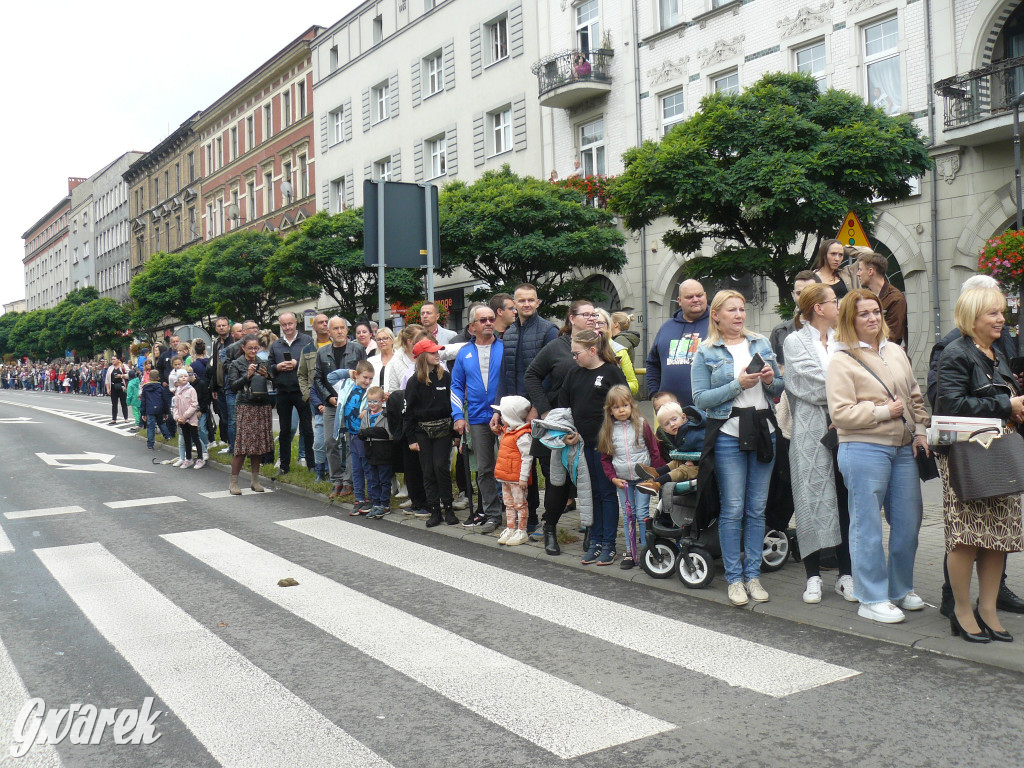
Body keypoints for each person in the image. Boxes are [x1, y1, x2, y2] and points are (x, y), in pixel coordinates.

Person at [826, 288, 929, 624]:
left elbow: (915, 397)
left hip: (902, 448)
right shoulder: (841, 358)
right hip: (863, 447)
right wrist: (883, 412)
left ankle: (899, 588)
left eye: (876, 312)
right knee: (866, 525)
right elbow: (840, 413)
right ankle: (870, 597)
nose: (872, 318)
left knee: (908, 521)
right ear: (849, 320)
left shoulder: (896, 352)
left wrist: (922, 431)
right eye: (864, 314)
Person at [926, 274, 1024, 615]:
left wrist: (1014, 403)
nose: (1001, 319)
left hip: (997, 456)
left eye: (1001, 312)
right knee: (967, 538)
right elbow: (948, 405)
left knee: (998, 538)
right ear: (973, 316)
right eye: (992, 313)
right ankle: (961, 612)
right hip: (969, 458)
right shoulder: (955, 351)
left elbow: (997, 397)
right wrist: (1005, 405)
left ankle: (989, 611)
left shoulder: (994, 351)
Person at [692, 289, 784, 606]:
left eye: (742, 309)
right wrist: (737, 385)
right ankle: (733, 579)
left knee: (757, 509)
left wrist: (771, 379)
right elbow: (700, 399)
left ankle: (753, 575)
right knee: (733, 509)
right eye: (732, 310)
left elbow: (778, 389)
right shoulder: (705, 352)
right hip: (729, 432)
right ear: (716, 315)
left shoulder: (760, 343)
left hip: (763, 430)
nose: (739, 315)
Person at [784, 283, 855, 604]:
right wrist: (847, 395)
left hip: (848, 427)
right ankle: (812, 576)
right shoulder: (795, 341)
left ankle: (846, 575)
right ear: (818, 307)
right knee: (810, 498)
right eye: (833, 301)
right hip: (812, 430)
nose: (838, 305)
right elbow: (807, 382)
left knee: (846, 500)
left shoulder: (844, 339)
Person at [524, 299, 598, 554]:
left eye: (594, 314)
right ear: (571, 318)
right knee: (558, 482)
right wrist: (545, 410)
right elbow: (531, 375)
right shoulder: (556, 347)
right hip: (559, 428)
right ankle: (550, 529)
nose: (591, 318)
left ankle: (591, 530)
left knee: (591, 482)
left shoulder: (600, 345)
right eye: (585, 314)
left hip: (589, 426)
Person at [560, 329, 627, 565]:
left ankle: (609, 543)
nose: (574, 357)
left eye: (577, 353)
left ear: (592, 350)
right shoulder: (574, 374)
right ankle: (595, 539)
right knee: (592, 494)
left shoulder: (610, 372)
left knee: (606, 494)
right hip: (583, 445)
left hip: (605, 446)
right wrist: (568, 432)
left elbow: (625, 406)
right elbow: (564, 407)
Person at [496, 283, 559, 535]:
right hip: (514, 414)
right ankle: (529, 518)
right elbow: (505, 374)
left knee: (547, 465)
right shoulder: (509, 332)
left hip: (540, 411)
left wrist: (537, 406)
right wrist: (499, 410)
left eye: (531, 300)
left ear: (538, 302)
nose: (526, 305)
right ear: (514, 304)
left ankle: (550, 521)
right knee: (523, 466)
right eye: (521, 301)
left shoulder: (548, 330)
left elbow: (552, 374)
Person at [451, 303, 504, 533]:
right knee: (484, 469)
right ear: (472, 326)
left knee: (510, 467)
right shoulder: (464, 352)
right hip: (476, 418)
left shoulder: (505, 347)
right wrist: (457, 416)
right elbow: (455, 386)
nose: (489, 323)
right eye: (483, 320)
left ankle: (517, 514)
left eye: (491, 319)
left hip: (504, 416)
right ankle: (493, 514)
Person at [598, 385, 663, 570]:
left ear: (631, 405)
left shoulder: (642, 424)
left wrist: (654, 476)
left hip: (643, 478)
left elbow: (654, 451)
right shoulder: (608, 430)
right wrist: (613, 478)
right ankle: (630, 551)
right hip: (623, 481)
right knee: (628, 516)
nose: (621, 410)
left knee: (642, 514)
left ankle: (645, 551)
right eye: (617, 407)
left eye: (625, 405)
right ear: (610, 410)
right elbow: (605, 459)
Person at [404, 339, 458, 528]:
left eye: (438, 352)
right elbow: (408, 412)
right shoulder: (413, 382)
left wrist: (456, 434)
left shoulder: (446, 377)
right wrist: (411, 438)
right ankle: (435, 509)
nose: (437, 354)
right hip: (422, 431)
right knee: (428, 470)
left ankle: (448, 507)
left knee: (441, 468)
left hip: (444, 428)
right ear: (422, 356)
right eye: (432, 352)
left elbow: (454, 404)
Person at [315, 316, 368, 498]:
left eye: (342, 328)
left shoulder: (358, 349)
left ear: (347, 330)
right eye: (335, 328)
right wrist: (328, 397)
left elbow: (365, 375)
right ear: (329, 332)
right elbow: (318, 379)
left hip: (352, 405)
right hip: (332, 405)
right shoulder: (322, 353)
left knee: (351, 442)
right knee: (331, 441)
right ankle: (336, 479)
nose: (339, 331)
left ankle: (348, 481)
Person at [646, 279, 710, 407]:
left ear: (706, 296)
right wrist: (655, 395)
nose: (696, 299)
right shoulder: (666, 328)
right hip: (670, 415)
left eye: (699, 295)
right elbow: (653, 364)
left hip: (708, 412)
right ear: (679, 301)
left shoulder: (718, 324)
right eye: (689, 297)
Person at [226, 334, 274, 495]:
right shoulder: (236, 364)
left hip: (262, 405)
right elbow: (232, 386)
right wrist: (247, 375)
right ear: (243, 348)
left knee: (258, 446)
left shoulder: (263, 362)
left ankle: (255, 480)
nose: (253, 351)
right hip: (246, 406)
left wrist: (268, 375)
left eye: (256, 348)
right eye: (250, 348)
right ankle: (234, 482)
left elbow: (274, 381)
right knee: (242, 446)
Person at [268, 312, 314, 477]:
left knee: (307, 429)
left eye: (290, 324)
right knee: (285, 430)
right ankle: (284, 464)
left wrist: (297, 363)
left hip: (302, 391)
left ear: (296, 323)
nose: (287, 327)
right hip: (283, 392)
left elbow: (313, 365)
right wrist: (277, 367)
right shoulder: (276, 345)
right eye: (284, 325)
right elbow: (269, 367)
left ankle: (311, 464)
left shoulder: (307, 341)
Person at [328, 360, 376, 514]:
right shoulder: (346, 385)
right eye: (364, 377)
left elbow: (378, 405)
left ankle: (373, 498)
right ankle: (360, 498)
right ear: (356, 375)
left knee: (366, 467)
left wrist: (368, 410)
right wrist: (349, 372)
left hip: (363, 435)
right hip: (350, 434)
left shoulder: (371, 392)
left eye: (370, 378)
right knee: (355, 468)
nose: (367, 381)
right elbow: (331, 377)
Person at [493, 395, 534, 546]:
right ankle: (511, 527)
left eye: (503, 415)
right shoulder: (508, 431)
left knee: (520, 504)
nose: (501, 417)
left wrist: (523, 477)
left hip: (517, 479)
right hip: (505, 476)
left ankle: (521, 530)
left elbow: (527, 457)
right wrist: (499, 434)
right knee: (509, 504)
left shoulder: (522, 435)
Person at [299, 313, 331, 482]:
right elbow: (302, 375)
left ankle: (332, 470)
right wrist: (308, 395)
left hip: (334, 398)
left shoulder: (337, 345)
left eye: (327, 322)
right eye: (321, 322)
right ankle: (321, 471)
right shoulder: (308, 349)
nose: (325, 324)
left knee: (335, 438)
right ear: (314, 327)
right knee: (319, 438)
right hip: (316, 399)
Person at [855, 249, 908, 349]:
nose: (858, 273)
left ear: (870, 271)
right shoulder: (865, 297)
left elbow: (893, 336)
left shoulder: (895, 298)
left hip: (887, 356)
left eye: (860, 269)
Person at [769, 271, 820, 367]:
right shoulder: (780, 332)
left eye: (809, 292)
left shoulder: (832, 331)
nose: (804, 297)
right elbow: (772, 375)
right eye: (799, 293)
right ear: (793, 295)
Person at [358, 385, 394, 519]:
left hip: (383, 452)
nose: (372, 404)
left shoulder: (385, 415)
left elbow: (388, 434)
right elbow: (361, 433)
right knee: (373, 480)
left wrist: (368, 432)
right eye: (369, 402)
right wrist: (368, 433)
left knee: (384, 480)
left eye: (375, 401)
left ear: (382, 401)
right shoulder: (366, 414)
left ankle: (385, 504)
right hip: (370, 452)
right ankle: (376, 503)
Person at [594, 308, 639, 396]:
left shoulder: (619, 350)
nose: (596, 326)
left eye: (600, 323)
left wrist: (614, 387)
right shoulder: (578, 349)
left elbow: (633, 385)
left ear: (608, 326)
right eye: (593, 323)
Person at [172, 368, 204, 469]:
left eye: (185, 376)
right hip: (182, 420)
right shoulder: (177, 392)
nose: (184, 378)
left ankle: (200, 458)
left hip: (191, 419)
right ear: (177, 380)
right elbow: (175, 407)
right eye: (181, 377)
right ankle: (188, 458)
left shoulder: (191, 390)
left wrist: (185, 416)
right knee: (186, 439)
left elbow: (194, 405)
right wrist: (177, 418)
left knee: (195, 438)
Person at [140, 371, 171, 449]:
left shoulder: (145, 388)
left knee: (150, 426)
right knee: (161, 423)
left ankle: (150, 444)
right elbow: (165, 401)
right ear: (158, 378)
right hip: (160, 409)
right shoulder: (161, 388)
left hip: (149, 410)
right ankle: (167, 437)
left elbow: (143, 402)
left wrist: (143, 413)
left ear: (149, 378)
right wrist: (167, 412)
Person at [105, 356, 129, 424]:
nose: (113, 361)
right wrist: (108, 388)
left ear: (118, 360)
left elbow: (129, 375)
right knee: (114, 404)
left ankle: (126, 418)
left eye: (114, 359)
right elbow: (107, 379)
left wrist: (121, 376)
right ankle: (114, 419)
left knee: (123, 403)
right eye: (112, 359)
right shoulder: (110, 368)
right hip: (113, 386)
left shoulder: (123, 366)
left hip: (121, 386)